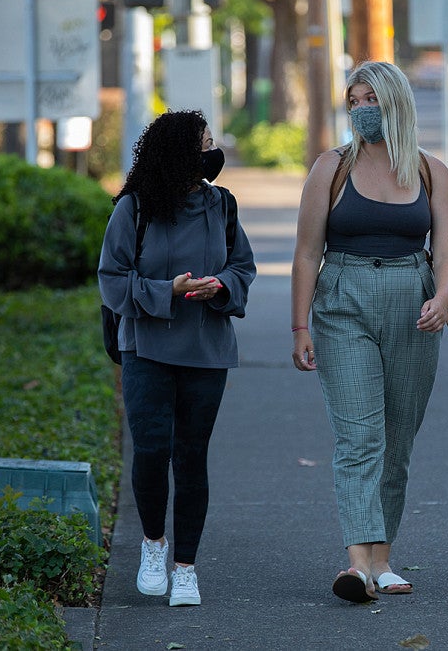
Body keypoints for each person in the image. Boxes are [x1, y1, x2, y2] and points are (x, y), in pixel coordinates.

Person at [290, 60, 448, 603]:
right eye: (354, 100)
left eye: (373, 100)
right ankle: (357, 566)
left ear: (397, 105)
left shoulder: (431, 171)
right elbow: (305, 253)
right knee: (359, 436)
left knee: (398, 437)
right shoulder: (331, 168)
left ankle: (383, 559)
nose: (362, 109)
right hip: (343, 301)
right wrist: (300, 326)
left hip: (414, 301)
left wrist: (443, 298)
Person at [98, 110, 256, 607]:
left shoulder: (222, 206)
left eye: (212, 141)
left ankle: (185, 567)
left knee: (191, 456)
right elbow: (112, 279)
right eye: (203, 143)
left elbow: (242, 267)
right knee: (151, 450)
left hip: (207, 350)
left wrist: (220, 286)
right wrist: (169, 290)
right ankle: (152, 546)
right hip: (146, 348)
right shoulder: (135, 209)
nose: (212, 152)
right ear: (175, 154)